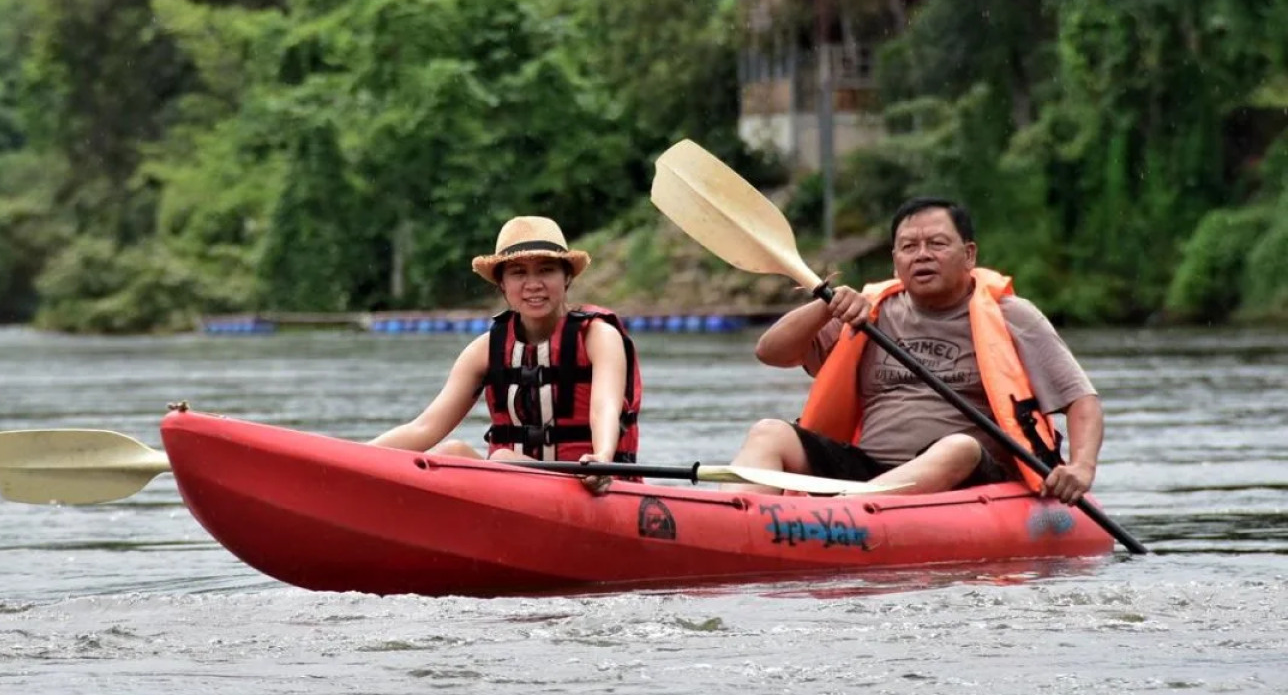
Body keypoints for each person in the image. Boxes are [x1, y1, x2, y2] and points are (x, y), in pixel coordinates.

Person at [731, 197, 1104, 502]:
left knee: (959, 446)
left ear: (969, 254)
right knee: (769, 432)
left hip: (967, 476)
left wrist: (1081, 467)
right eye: (909, 247)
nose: (922, 255)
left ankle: (843, 514)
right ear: (896, 261)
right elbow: (771, 352)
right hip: (866, 469)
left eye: (937, 244)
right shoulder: (867, 311)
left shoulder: (1013, 317)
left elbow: (1081, 400)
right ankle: (734, 518)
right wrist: (824, 307)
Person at [370, 216, 642, 494]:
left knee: (502, 458)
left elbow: (604, 409)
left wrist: (602, 458)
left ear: (567, 277)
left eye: (546, 270)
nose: (533, 284)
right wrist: (348, 456)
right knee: (452, 452)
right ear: (501, 283)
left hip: (596, 486)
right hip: (516, 487)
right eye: (518, 273)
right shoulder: (484, 350)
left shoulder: (598, 337)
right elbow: (424, 428)